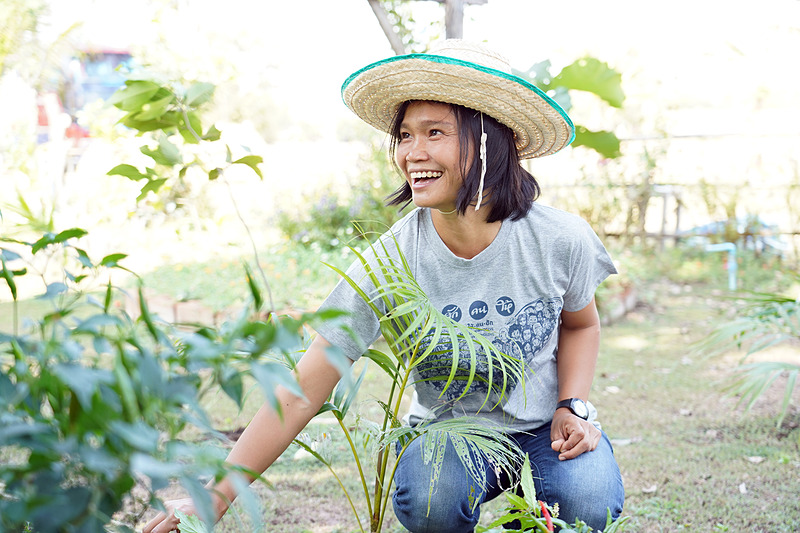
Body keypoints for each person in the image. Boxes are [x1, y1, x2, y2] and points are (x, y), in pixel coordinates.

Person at [144, 39, 624, 533]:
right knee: (432, 499)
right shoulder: (391, 260)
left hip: (545, 429)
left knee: (588, 501)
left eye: (434, 132)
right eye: (405, 135)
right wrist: (217, 495)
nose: (413, 153)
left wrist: (572, 405)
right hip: (448, 438)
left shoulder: (558, 239)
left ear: (489, 141)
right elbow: (304, 388)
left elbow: (581, 325)